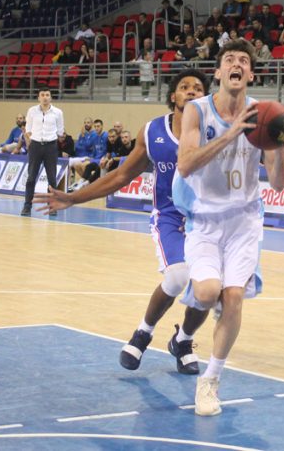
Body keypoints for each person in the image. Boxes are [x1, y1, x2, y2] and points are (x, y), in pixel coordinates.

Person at [35, 70, 213, 374]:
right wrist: (74, 198)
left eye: (198, 88)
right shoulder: (152, 132)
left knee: (208, 288)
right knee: (177, 277)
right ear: (173, 96)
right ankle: (143, 332)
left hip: (207, 220)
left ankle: (183, 341)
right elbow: (120, 175)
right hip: (170, 217)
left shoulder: (216, 131)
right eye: (184, 86)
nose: (192, 91)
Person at [172, 40, 284, 416]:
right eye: (229, 59)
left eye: (243, 60)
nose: (236, 64)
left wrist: (281, 146)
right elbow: (185, 165)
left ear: (250, 73)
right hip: (205, 219)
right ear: (219, 72)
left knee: (233, 297)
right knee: (208, 294)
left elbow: (278, 183)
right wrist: (231, 133)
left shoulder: (263, 113)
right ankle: (184, 334)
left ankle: (210, 381)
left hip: (244, 220)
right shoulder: (197, 110)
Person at [21, 89, 64, 217]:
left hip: (51, 147)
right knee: (31, 178)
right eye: (42, 95)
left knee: (52, 179)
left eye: (47, 95)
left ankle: (52, 206)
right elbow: (28, 130)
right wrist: (32, 142)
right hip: (35, 146)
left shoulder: (58, 112)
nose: (45, 97)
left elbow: (60, 132)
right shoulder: (32, 111)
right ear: (38, 97)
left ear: (51, 97)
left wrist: (52, 140)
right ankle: (27, 206)